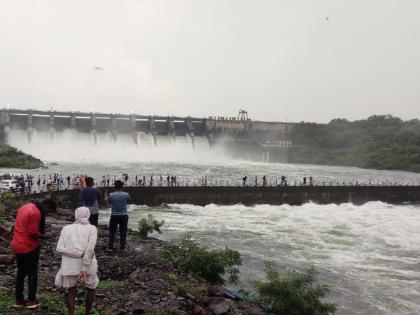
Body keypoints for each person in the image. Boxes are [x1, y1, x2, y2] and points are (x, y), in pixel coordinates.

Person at [11, 199, 57, 309]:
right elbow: (32, 233)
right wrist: (45, 236)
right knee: (32, 273)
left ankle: (19, 301)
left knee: (21, 274)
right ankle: (32, 301)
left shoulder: (25, 207)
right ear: (46, 206)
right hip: (28, 247)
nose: (46, 214)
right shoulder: (36, 212)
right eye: (48, 211)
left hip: (16, 244)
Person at [55, 207, 98, 315]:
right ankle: (87, 313)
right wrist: (84, 268)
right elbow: (89, 250)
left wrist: (76, 253)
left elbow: (59, 248)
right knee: (91, 288)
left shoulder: (66, 228)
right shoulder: (92, 228)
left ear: (75, 215)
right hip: (89, 265)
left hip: (69, 265)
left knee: (71, 290)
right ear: (88, 215)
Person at [107, 180, 130, 252]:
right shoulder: (126, 194)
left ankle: (110, 247)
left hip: (114, 215)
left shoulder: (111, 195)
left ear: (115, 186)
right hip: (124, 215)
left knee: (112, 231)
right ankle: (122, 247)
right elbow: (129, 200)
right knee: (123, 231)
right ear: (122, 186)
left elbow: (108, 202)